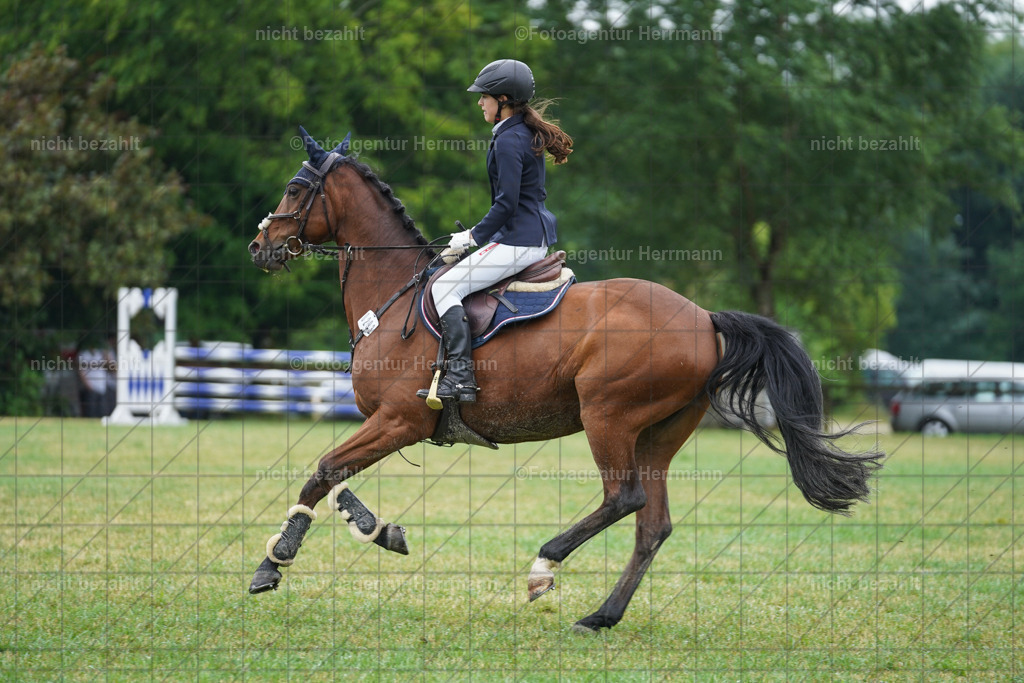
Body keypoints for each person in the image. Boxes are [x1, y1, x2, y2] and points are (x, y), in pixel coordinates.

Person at [420, 59, 573, 404]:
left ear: (503, 99)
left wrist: (471, 237)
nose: (479, 103)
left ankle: (460, 378)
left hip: (519, 240)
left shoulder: (508, 140)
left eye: (484, 97)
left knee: (443, 287)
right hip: (526, 236)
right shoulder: (519, 132)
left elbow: (506, 204)